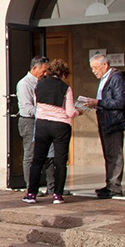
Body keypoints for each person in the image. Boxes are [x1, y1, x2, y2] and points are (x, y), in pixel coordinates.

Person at [25, 59, 80, 204]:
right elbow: (69, 112)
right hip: (61, 125)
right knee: (60, 162)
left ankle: (31, 194)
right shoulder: (66, 88)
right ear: (62, 73)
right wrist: (78, 112)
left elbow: (37, 104)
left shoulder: (39, 85)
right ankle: (57, 195)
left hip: (42, 124)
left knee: (38, 160)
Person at [88, 54, 125, 199]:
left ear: (105, 65)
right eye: (92, 68)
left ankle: (114, 187)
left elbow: (120, 102)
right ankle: (110, 184)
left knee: (115, 154)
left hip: (113, 122)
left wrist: (98, 103)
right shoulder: (105, 79)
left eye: (95, 68)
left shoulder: (116, 78)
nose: (94, 71)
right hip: (105, 120)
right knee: (109, 154)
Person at [16, 57, 56, 194]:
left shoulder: (44, 82)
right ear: (34, 68)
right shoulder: (24, 84)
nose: (45, 74)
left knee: (50, 154)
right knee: (31, 154)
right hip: (29, 121)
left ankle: (53, 188)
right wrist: (46, 111)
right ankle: (31, 187)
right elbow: (27, 108)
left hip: (44, 120)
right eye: (43, 70)